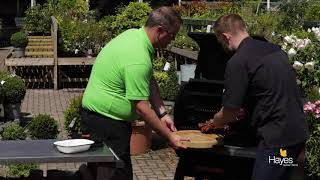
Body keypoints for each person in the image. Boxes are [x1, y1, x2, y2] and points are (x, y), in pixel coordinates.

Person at [80, 6, 188, 180]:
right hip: (105, 122)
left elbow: (149, 80)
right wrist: (170, 137)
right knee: (116, 176)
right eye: (172, 35)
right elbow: (142, 109)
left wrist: (163, 113)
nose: (172, 41)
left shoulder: (136, 36)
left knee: (104, 174)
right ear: (159, 31)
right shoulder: (138, 57)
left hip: (103, 118)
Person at [207, 14, 309, 180]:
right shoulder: (275, 49)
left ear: (226, 37)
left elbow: (230, 113)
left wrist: (216, 121)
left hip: (277, 141)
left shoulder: (238, 61)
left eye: (220, 43)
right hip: (297, 135)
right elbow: (269, 91)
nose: (222, 47)